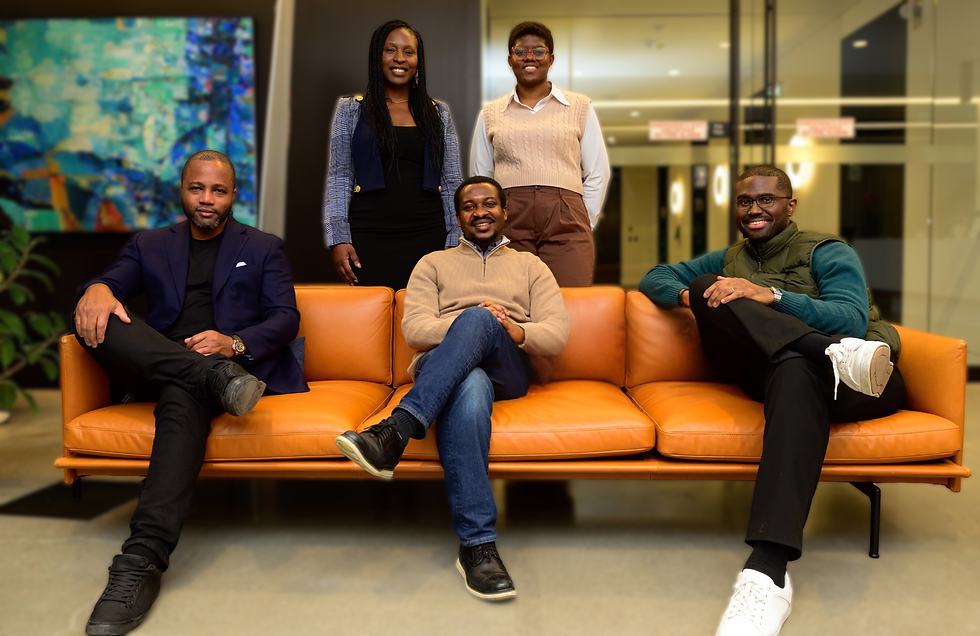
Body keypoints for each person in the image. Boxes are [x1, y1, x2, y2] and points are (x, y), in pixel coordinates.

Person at [638, 165, 904, 636]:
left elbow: (851, 318)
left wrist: (771, 296)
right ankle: (823, 352)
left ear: (790, 205)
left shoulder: (825, 251)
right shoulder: (731, 257)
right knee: (707, 288)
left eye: (766, 199)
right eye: (745, 201)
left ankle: (767, 570)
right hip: (786, 373)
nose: (754, 209)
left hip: (863, 379)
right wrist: (692, 295)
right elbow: (655, 276)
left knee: (797, 369)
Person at [75, 150, 309, 636]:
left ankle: (140, 559)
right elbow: (113, 284)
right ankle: (210, 379)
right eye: (197, 189)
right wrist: (97, 287)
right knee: (96, 317)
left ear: (233, 195)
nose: (206, 200)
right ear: (181, 190)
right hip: (168, 363)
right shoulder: (150, 244)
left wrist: (233, 344)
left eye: (218, 191)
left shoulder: (263, 246)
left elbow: (286, 317)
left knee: (183, 395)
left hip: (222, 363)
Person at [335, 176, 569, 600]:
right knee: (471, 379)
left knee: (480, 326)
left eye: (489, 204)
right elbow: (415, 329)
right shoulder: (432, 263)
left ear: (504, 211)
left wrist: (506, 326)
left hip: (508, 366)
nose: (480, 212)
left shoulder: (532, 266)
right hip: (447, 370)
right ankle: (478, 548)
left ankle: (395, 431)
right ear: (457, 216)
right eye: (469, 206)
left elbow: (555, 335)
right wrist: (470, 323)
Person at [324, 20, 464, 291]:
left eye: (408, 52)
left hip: (428, 233)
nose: (400, 59)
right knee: (370, 319)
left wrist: (455, 239)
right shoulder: (350, 110)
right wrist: (339, 238)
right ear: (378, 56)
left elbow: (451, 180)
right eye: (390, 50)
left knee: (421, 323)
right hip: (369, 234)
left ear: (417, 60)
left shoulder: (438, 112)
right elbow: (340, 176)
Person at [470, 21, 610, 288]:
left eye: (539, 51)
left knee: (571, 303)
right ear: (510, 59)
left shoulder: (579, 107)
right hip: (510, 219)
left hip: (567, 218)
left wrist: (580, 216)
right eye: (521, 51)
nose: (530, 57)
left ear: (551, 59)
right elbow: (481, 179)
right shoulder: (490, 113)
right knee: (514, 303)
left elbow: (597, 171)